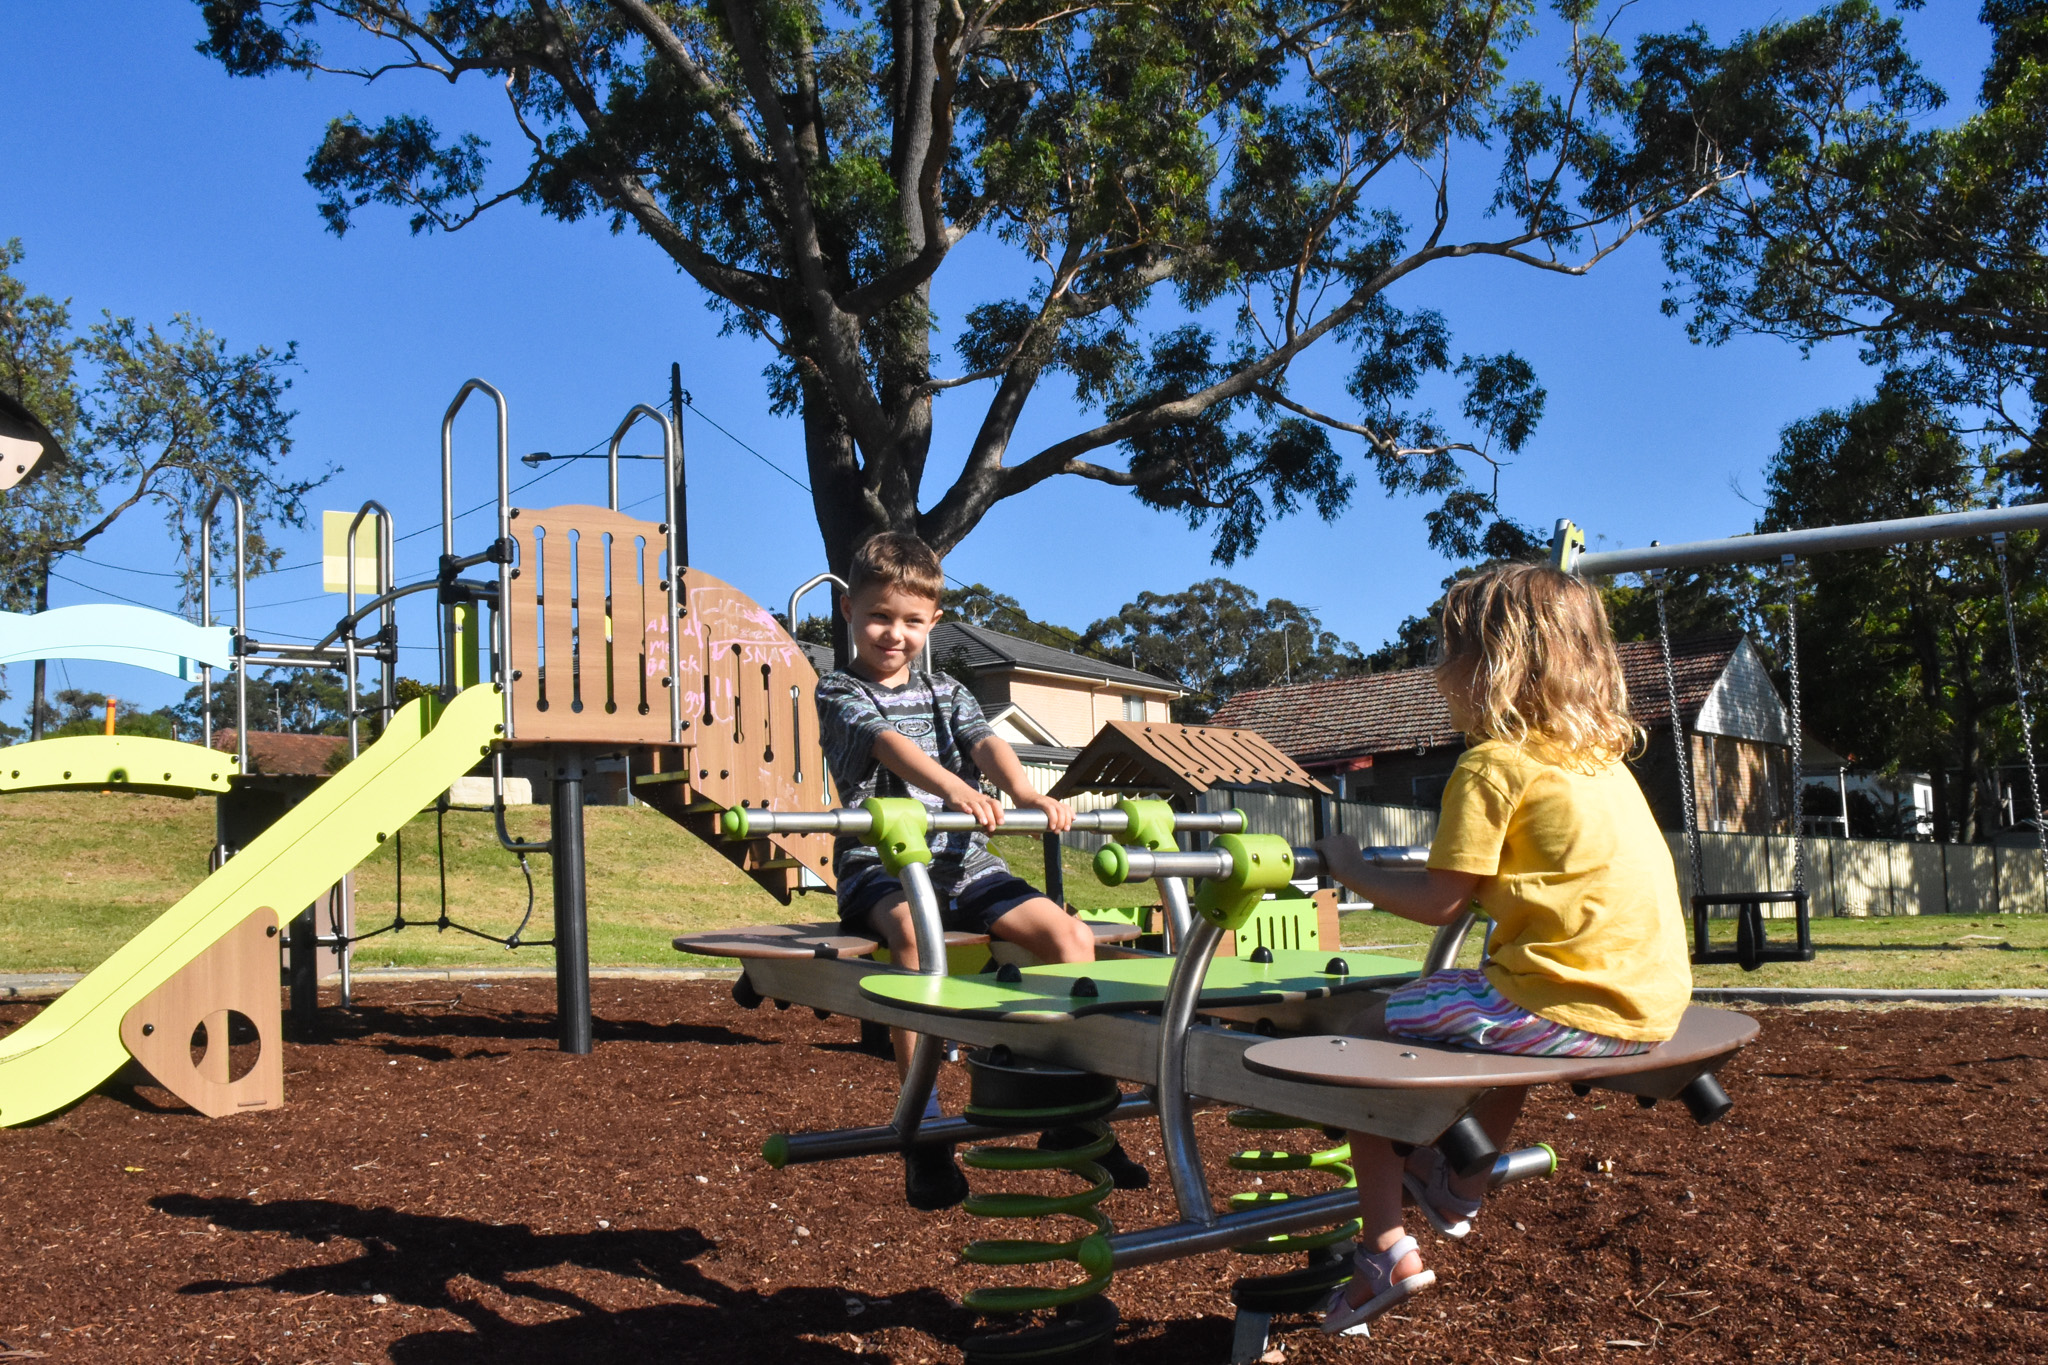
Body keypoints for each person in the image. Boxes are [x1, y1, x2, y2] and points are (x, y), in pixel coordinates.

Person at [1310, 562, 1691, 1337]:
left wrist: (1347, 865)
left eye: (1444, 652)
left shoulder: (1491, 764)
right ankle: (1462, 1180)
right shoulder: (1603, 765)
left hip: (1559, 1004)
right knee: (1487, 995)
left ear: (1484, 666)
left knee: (1360, 1034)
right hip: (1648, 1005)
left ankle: (1383, 1246)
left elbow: (1438, 902)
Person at [816, 531, 1147, 1209]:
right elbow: (887, 744)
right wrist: (958, 790)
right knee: (913, 935)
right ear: (849, 608)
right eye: (880, 616)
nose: (894, 634)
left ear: (932, 622)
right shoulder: (838, 688)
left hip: (961, 862)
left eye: (911, 621)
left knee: (1070, 939)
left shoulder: (948, 689)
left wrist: (1023, 793)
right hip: (881, 866)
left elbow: (987, 742)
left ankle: (1068, 1105)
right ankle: (925, 1123)